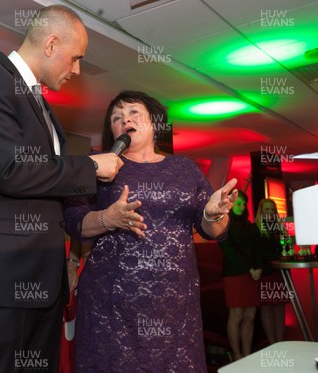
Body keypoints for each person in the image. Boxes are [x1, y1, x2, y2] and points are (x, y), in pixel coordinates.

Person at [0, 5, 123, 373]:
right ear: (51, 43)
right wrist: (90, 165)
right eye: (75, 59)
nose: (76, 70)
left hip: (43, 287)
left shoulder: (39, 102)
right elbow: (11, 170)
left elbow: (46, 185)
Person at [64, 90, 237, 372]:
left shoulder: (185, 168)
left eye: (133, 113)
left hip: (175, 307)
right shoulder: (100, 164)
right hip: (110, 306)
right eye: (116, 118)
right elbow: (74, 220)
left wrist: (211, 213)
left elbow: (213, 230)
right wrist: (109, 217)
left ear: (155, 123)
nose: (124, 120)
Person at [218, 190, 261, 360]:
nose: (242, 207)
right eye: (238, 204)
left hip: (252, 275)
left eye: (244, 204)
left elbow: (256, 248)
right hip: (234, 274)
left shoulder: (249, 225)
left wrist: (258, 268)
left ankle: (247, 354)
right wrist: (249, 268)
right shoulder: (224, 223)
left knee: (250, 316)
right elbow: (229, 251)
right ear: (231, 204)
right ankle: (236, 355)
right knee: (236, 316)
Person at [253, 198, 289, 344]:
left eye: (272, 210)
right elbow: (257, 252)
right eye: (267, 209)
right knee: (267, 307)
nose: (270, 212)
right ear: (261, 211)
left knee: (280, 307)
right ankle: (272, 343)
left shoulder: (279, 227)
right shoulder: (256, 228)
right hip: (266, 273)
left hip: (280, 272)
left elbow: (285, 248)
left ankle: (279, 342)